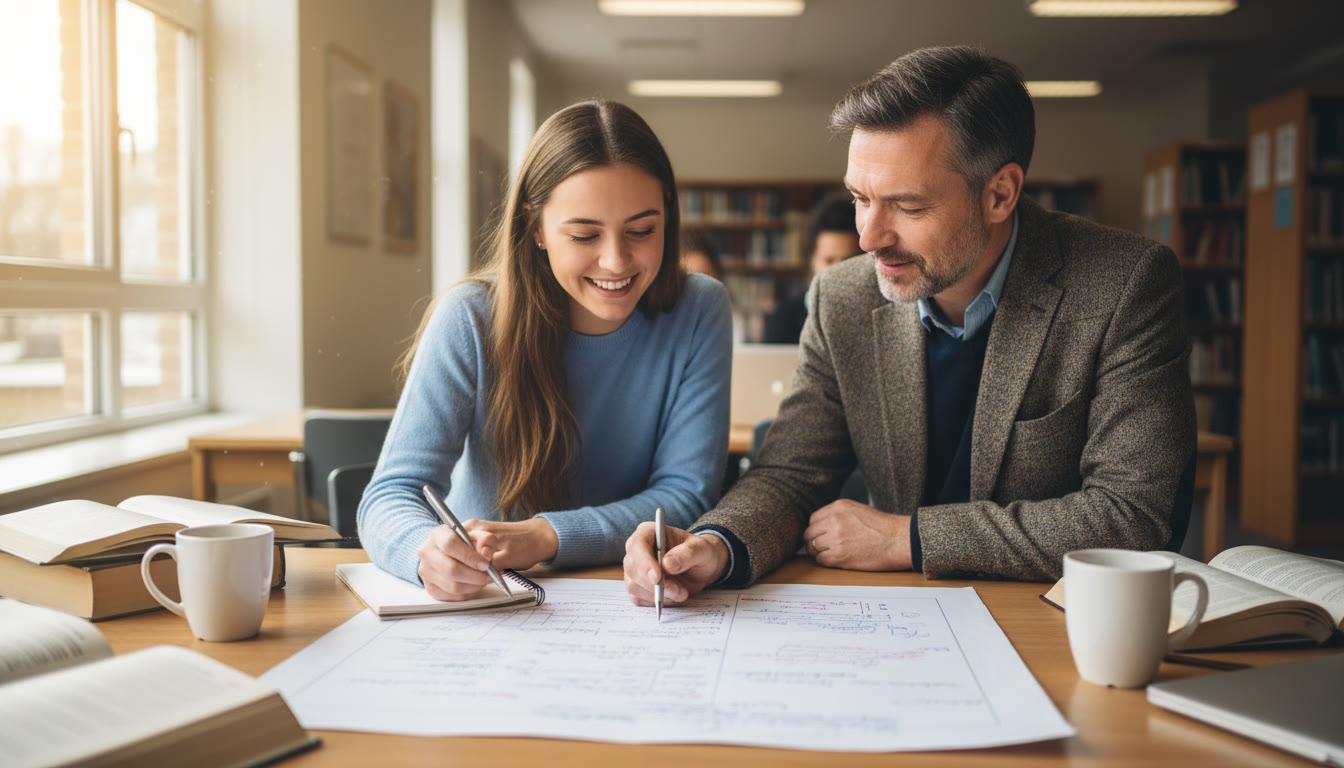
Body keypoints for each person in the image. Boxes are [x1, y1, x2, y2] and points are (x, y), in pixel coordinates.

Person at [623, 46, 1195, 605]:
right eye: (858, 198)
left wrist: (908, 537)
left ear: (999, 194)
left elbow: (1133, 516)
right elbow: (790, 473)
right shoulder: (841, 296)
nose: (869, 238)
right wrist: (717, 544)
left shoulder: (1125, 285)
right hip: (900, 621)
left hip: (1054, 622)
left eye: (908, 206)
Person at [359, 99, 733, 601]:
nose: (616, 260)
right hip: (494, 600)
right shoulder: (470, 317)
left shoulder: (700, 309)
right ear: (534, 227)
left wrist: (545, 536)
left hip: (630, 598)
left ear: (668, 213)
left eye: (643, 230)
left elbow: (686, 494)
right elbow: (390, 495)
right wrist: (424, 555)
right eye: (584, 234)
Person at [761, 192, 864, 344]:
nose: (838, 271)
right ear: (812, 261)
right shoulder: (782, 320)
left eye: (849, 260)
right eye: (829, 260)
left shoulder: (886, 317)